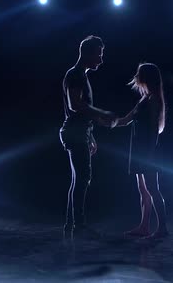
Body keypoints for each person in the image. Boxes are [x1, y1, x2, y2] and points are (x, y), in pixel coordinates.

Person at [59, 35, 115, 237]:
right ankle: (78, 225)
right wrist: (101, 113)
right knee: (83, 179)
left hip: (79, 132)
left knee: (78, 180)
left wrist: (90, 135)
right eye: (99, 55)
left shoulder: (81, 76)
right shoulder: (75, 75)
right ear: (88, 53)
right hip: (74, 133)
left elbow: (81, 111)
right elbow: (75, 105)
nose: (100, 60)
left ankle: (71, 224)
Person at [112, 63, 169, 238]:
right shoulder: (145, 98)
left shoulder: (153, 100)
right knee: (143, 190)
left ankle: (162, 228)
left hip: (147, 152)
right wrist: (107, 121)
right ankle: (144, 226)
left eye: (139, 74)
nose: (136, 76)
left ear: (146, 77)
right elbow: (126, 119)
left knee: (153, 188)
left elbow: (153, 128)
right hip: (139, 151)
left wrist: (149, 155)